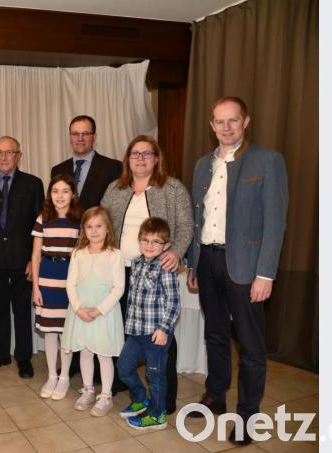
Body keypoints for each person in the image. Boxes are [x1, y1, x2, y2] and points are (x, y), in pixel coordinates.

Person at [187, 96, 288, 446]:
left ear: (246, 121)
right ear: (211, 125)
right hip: (208, 261)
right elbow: (196, 218)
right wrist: (193, 262)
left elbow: (275, 222)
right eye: (219, 121)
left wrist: (266, 273)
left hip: (245, 268)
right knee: (214, 334)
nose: (226, 127)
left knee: (250, 346)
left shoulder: (268, 160)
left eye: (233, 120)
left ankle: (248, 414)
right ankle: (215, 395)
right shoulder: (202, 164)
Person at [100, 134, 192, 413]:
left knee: (160, 338)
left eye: (146, 153)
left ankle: (165, 398)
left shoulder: (173, 188)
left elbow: (186, 226)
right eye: (135, 153)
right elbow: (102, 224)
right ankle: (129, 389)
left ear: (156, 158)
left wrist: (175, 252)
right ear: (128, 159)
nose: (140, 158)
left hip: (156, 273)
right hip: (121, 271)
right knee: (126, 333)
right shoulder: (115, 188)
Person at [0, 136, 44, 378]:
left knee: (23, 310)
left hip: (22, 260)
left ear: (18, 156)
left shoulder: (33, 184)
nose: (3, 157)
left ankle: (23, 357)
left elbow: (39, 225)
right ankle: (1, 354)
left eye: (8, 152)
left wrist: (34, 261)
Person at [118, 217, 181, 431]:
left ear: (166, 245)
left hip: (156, 334)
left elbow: (173, 302)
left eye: (156, 242)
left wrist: (164, 329)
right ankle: (139, 398)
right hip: (136, 331)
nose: (149, 245)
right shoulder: (136, 262)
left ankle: (157, 415)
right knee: (124, 368)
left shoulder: (166, 266)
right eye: (145, 240)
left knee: (155, 374)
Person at [62, 206, 125, 417]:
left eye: (99, 226)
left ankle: (105, 395)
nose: (94, 231)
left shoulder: (115, 255)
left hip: (103, 314)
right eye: (89, 226)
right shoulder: (78, 253)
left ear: (107, 228)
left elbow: (119, 288)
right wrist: (78, 308)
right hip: (80, 312)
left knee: (104, 355)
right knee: (86, 352)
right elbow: (70, 284)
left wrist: (98, 310)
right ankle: (88, 389)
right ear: (83, 230)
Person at [31, 175, 83, 400]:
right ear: (49, 195)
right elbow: (35, 255)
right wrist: (35, 287)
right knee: (50, 332)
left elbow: (84, 256)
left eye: (64, 191)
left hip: (70, 281)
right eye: (55, 191)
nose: (60, 196)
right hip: (47, 278)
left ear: (73, 194)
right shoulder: (43, 218)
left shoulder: (80, 220)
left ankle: (64, 378)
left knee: (66, 333)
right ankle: (52, 375)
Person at [50, 115, 123, 209]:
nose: (80, 138)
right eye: (75, 134)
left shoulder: (113, 168)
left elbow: (116, 206)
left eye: (85, 134)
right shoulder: (57, 170)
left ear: (94, 137)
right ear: (70, 137)